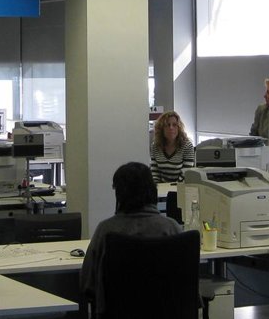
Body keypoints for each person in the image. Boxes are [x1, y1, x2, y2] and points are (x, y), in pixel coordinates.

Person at [80, 162, 183, 302]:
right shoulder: (171, 228)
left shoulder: (106, 231)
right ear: (153, 190)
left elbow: (87, 284)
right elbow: (187, 283)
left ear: (119, 195)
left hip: (118, 313)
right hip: (168, 313)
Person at [149, 110, 195, 184]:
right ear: (161, 129)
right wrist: (157, 188)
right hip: (161, 187)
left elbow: (185, 174)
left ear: (179, 128)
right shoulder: (155, 146)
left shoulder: (187, 146)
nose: (171, 128)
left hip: (181, 187)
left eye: (174, 125)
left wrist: (172, 188)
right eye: (167, 125)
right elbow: (155, 172)